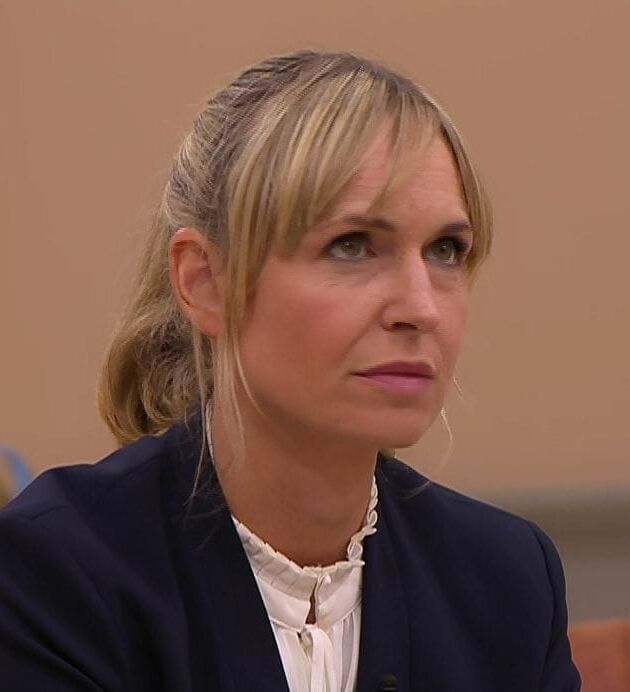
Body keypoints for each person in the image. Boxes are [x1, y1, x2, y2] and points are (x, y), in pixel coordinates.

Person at [0, 51, 581, 692]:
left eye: (446, 250)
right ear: (205, 281)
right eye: (352, 246)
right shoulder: (53, 574)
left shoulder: (506, 581)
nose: (421, 308)